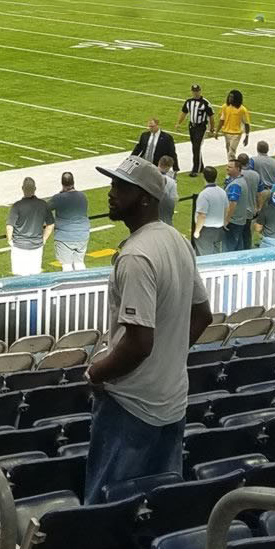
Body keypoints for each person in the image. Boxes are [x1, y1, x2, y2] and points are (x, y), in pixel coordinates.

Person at [85, 155, 212, 502]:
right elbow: (203, 315)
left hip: (132, 405)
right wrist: (170, 359)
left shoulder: (137, 255)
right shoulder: (177, 241)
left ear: (144, 198)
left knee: (109, 509)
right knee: (158, 506)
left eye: (121, 187)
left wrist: (96, 373)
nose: (111, 193)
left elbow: (139, 342)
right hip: (171, 400)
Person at [6, 177, 52, 277]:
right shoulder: (43, 204)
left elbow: (10, 226)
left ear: (22, 188)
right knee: (35, 277)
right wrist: (43, 239)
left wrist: (9, 240)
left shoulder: (17, 206)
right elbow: (50, 224)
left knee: (19, 276)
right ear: (35, 188)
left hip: (19, 245)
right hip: (36, 245)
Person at [48, 172, 90, 270]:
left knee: (66, 265)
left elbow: (45, 208)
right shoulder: (82, 196)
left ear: (62, 183)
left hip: (65, 236)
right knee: (79, 262)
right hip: (82, 234)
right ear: (73, 182)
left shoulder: (59, 198)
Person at [224, 155, 261, 252]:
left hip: (234, 220)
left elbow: (233, 203)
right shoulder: (241, 180)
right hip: (242, 217)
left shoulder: (236, 184)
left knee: (230, 247)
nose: (227, 168)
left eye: (230, 167)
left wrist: (226, 220)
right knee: (240, 244)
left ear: (237, 168)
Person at [193, 167, 228, 255]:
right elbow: (226, 209)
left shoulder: (204, 194)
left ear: (203, 176)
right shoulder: (222, 192)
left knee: (204, 255)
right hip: (219, 228)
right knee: (216, 254)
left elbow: (202, 215)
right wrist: (224, 223)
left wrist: (197, 231)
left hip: (206, 230)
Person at [177, 85, 213, 168]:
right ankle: (200, 166)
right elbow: (184, 112)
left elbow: (211, 116)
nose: (195, 93)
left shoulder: (205, 103)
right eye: (194, 91)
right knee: (195, 147)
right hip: (192, 126)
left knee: (196, 147)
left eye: (197, 91)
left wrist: (212, 128)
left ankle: (196, 168)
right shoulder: (189, 102)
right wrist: (178, 123)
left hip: (201, 127)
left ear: (200, 91)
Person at [218, 90, 251, 162]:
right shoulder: (225, 107)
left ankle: (233, 167)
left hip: (236, 134)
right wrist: (217, 131)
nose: (230, 98)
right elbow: (222, 120)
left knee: (231, 152)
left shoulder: (242, 110)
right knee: (228, 151)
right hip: (226, 133)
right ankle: (232, 166)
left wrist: (247, 136)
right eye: (229, 96)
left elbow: (246, 123)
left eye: (232, 97)